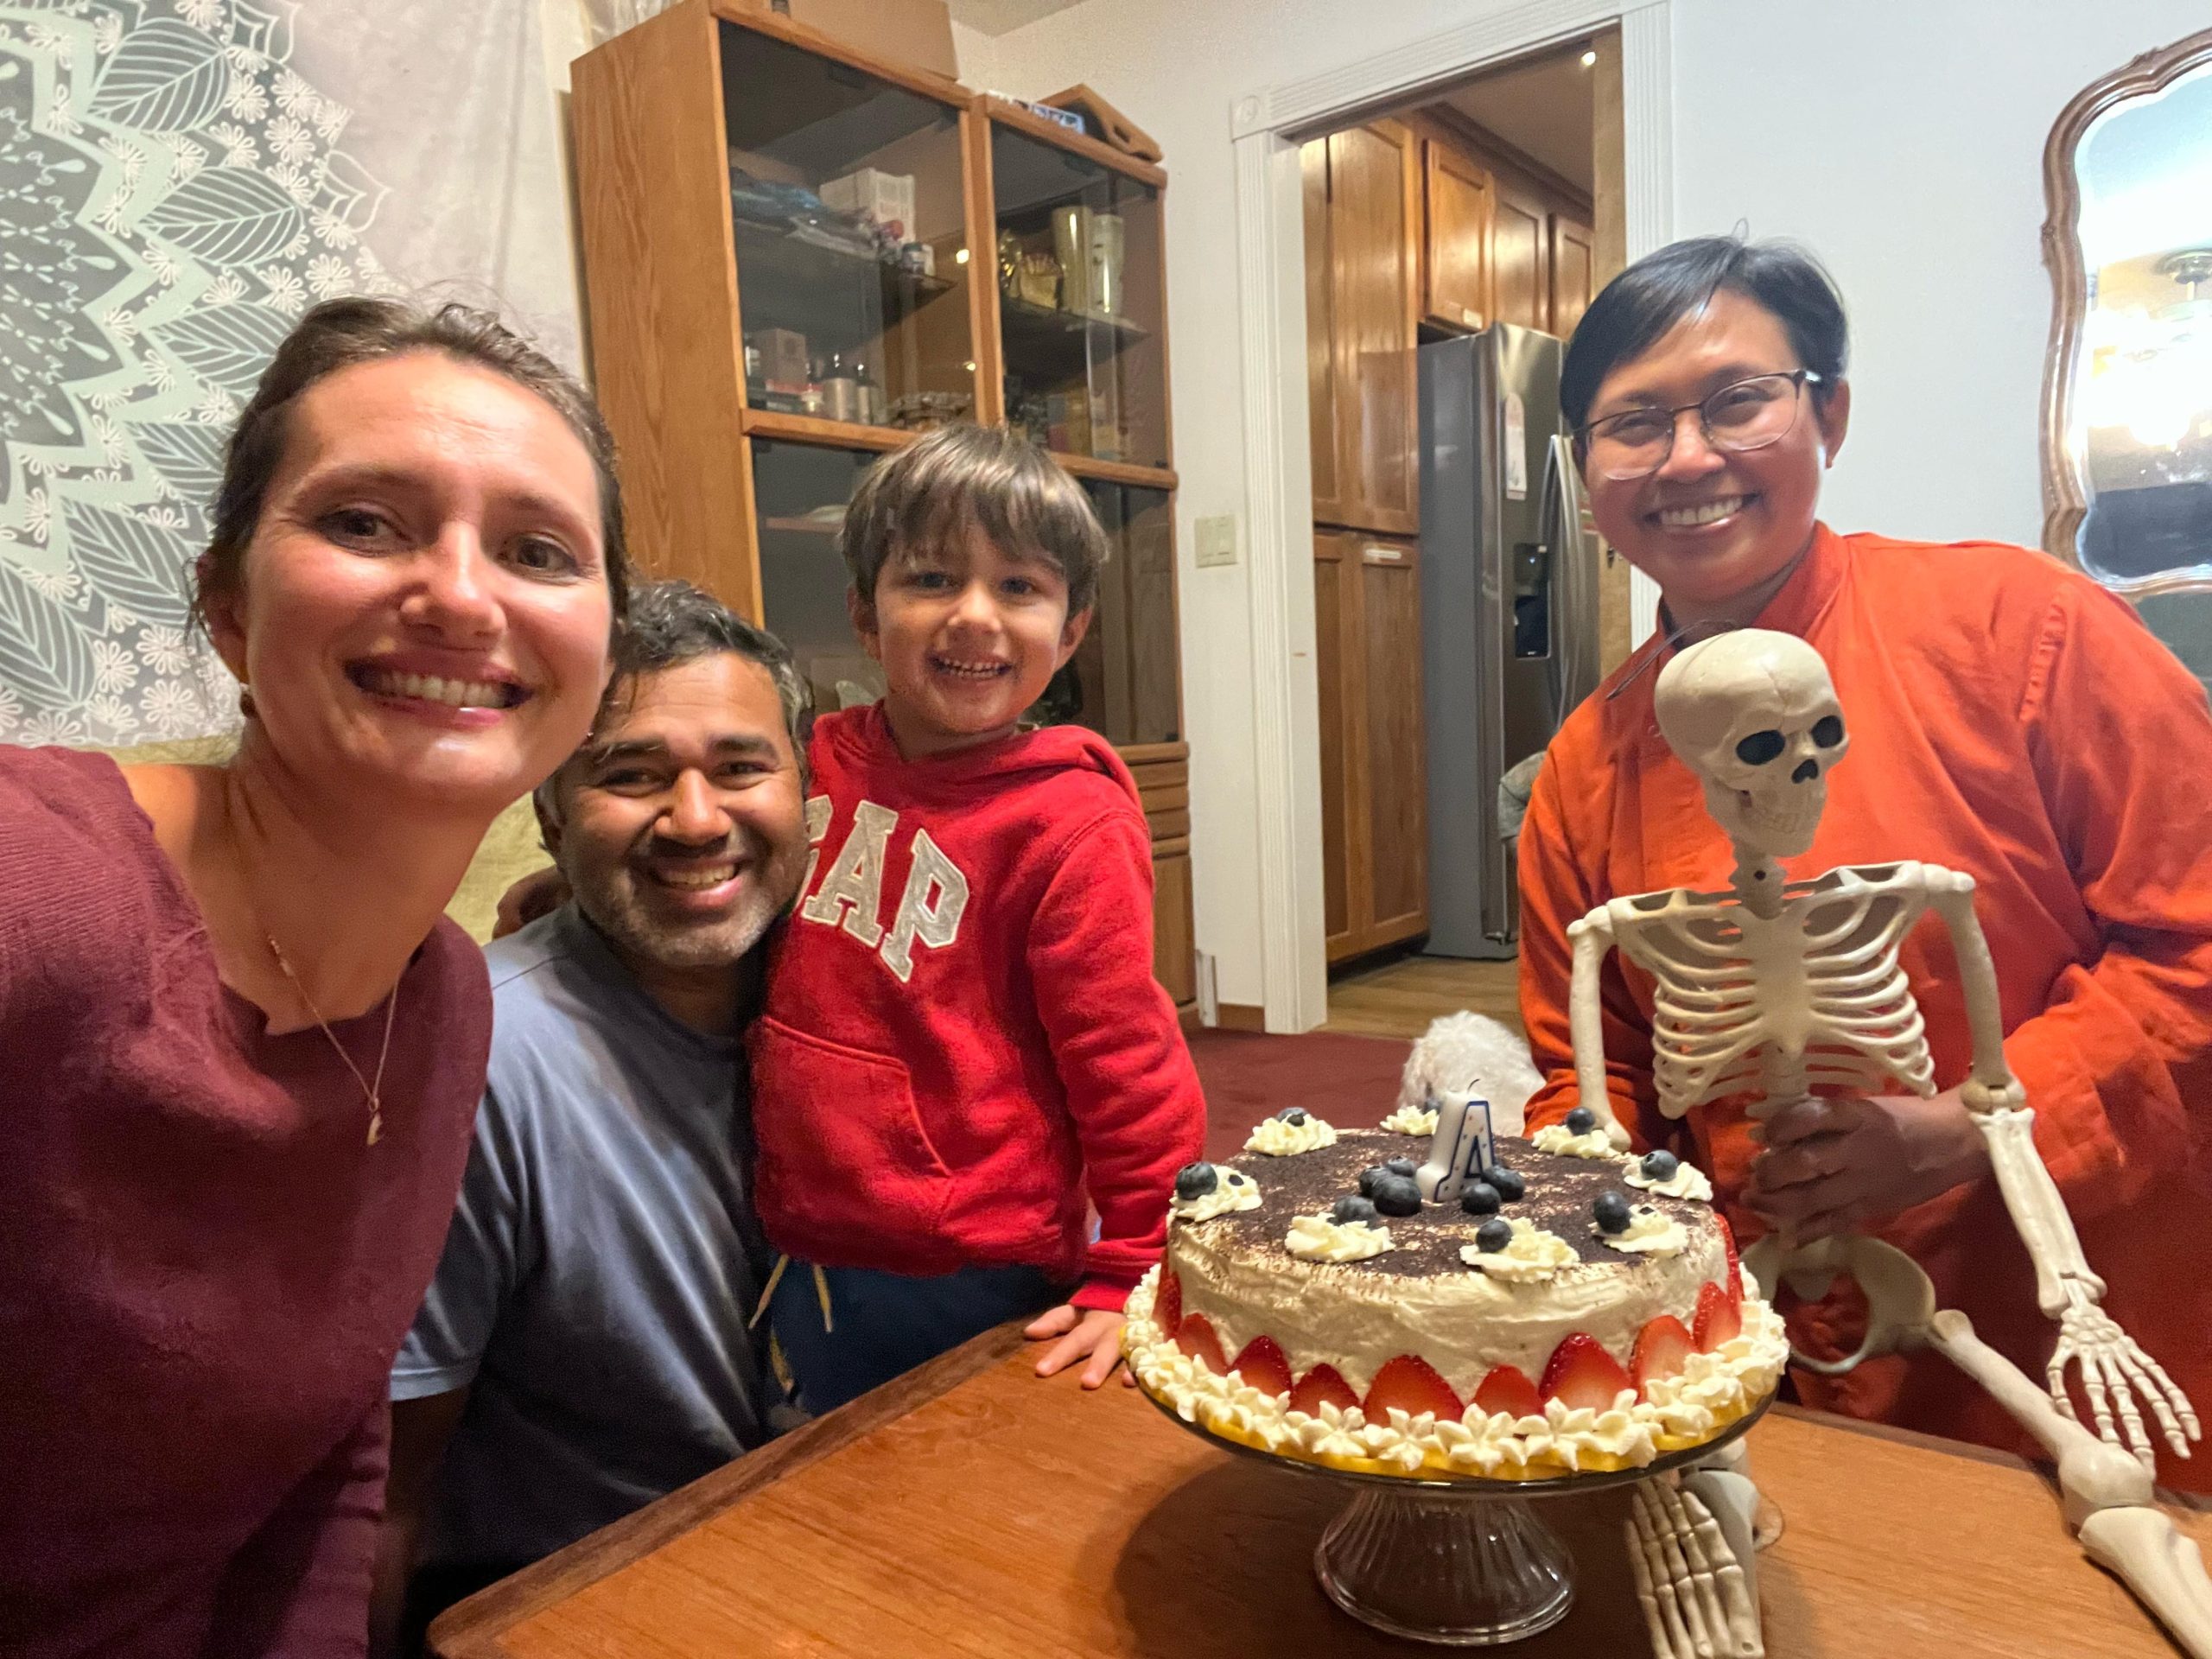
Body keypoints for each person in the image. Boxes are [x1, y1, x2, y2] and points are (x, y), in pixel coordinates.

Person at [1516, 234, 2212, 1491]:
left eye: (1737, 401)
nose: (1687, 458)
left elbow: (2199, 941)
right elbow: (1589, 1074)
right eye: (1633, 424)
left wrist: (1979, 1126)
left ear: (1828, 412)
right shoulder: (1580, 767)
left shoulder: (2025, 630)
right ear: (1585, 470)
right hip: (1752, 1356)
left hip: (2073, 1323)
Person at [0, 297, 624, 1656]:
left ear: (604, 653)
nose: (461, 595)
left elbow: (324, 1467)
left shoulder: (445, 1001)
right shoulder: (39, 891)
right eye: (365, 523)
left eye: (536, 551)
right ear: (228, 607)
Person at [375, 582, 812, 1652]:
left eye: (741, 768)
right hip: (590, 1593)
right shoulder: (470, 1062)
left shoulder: (876, 1000)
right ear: (550, 811)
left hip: (839, 1517)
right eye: (630, 774)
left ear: (809, 794)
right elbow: (386, 1484)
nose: (697, 819)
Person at [753, 423, 1208, 1411]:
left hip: (974, 1265)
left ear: (1071, 630)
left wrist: (1138, 1261)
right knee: (808, 1466)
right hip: (792, 1234)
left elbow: (1126, 1062)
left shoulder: (1071, 822)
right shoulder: (809, 761)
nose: (972, 615)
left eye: (1018, 586)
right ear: (864, 614)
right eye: (929, 578)